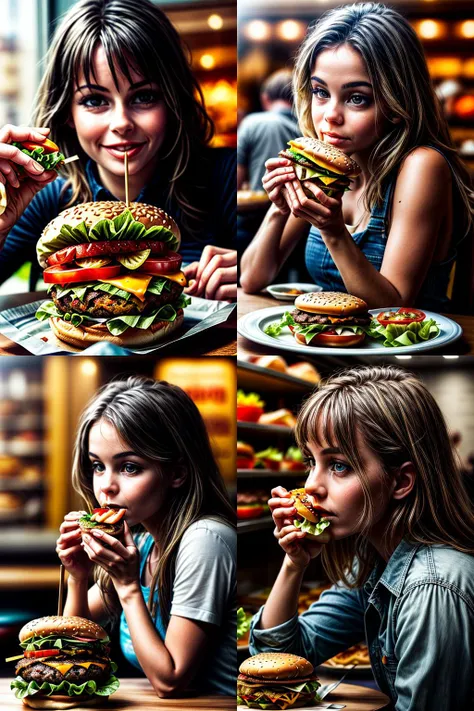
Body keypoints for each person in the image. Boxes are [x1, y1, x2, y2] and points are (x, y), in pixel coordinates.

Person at [249, 365, 474, 710]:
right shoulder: (375, 560)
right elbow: (275, 664)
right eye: (311, 461)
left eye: (339, 465)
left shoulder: (431, 587)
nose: (310, 486)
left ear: (400, 481)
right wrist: (294, 564)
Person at [240, 3, 474, 312]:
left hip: (408, 354)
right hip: (330, 347)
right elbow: (253, 279)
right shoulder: (327, 169)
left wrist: (334, 231)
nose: (330, 117)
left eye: (357, 98)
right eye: (321, 92)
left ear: (396, 100)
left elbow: (392, 305)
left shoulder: (421, 165)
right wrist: (279, 209)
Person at [0, 0, 236, 302]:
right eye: (95, 101)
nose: (122, 123)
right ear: (67, 114)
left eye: (145, 96)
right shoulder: (47, 196)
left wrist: (247, 276)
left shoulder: (224, 176)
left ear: (172, 101)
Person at [56, 376, 236, 697]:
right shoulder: (141, 542)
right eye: (98, 466)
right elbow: (72, 652)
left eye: (128, 467)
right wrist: (77, 577)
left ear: (177, 473)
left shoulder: (206, 539)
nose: (106, 486)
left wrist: (127, 588)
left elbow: (170, 680)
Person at [237, 69, 299, 192]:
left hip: (256, 209)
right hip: (299, 208)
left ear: (265, 99)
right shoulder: (309, 129)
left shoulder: (251, 123)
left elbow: (235, 181)